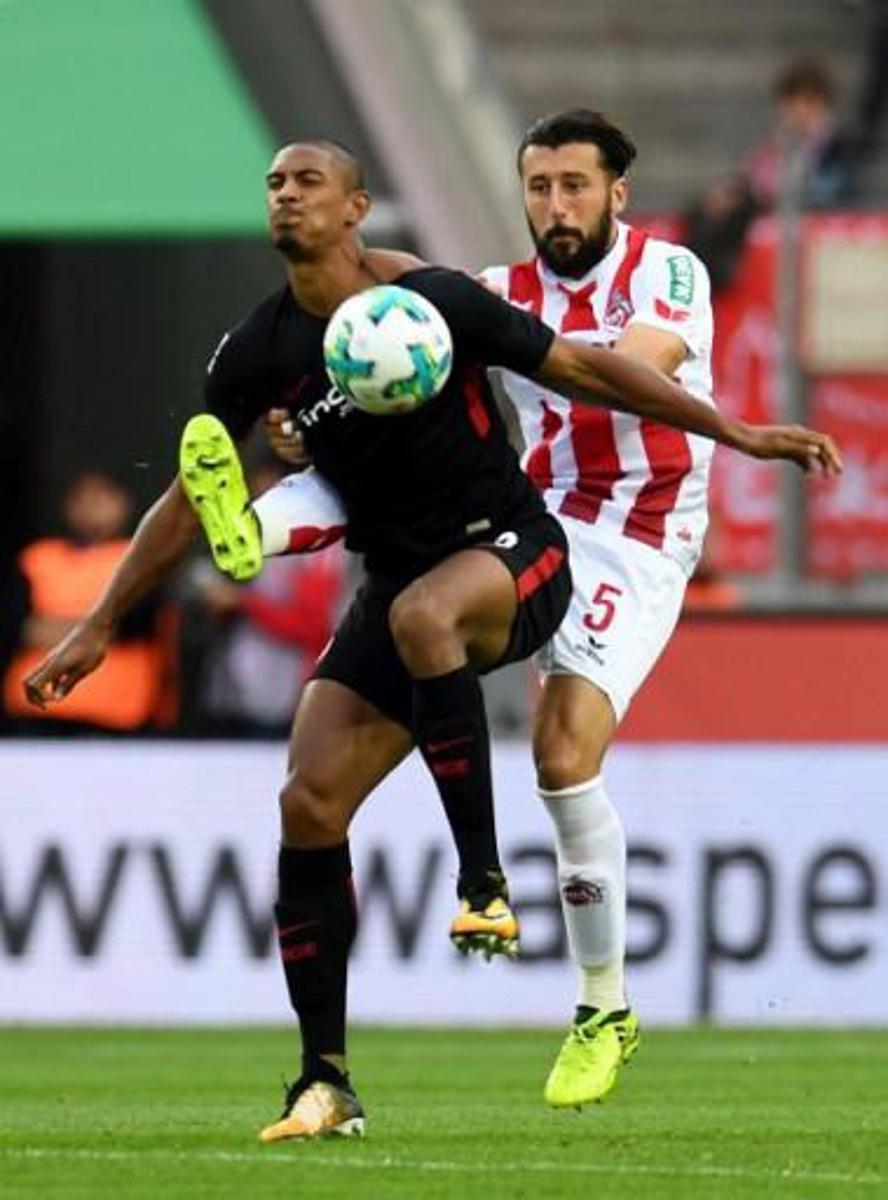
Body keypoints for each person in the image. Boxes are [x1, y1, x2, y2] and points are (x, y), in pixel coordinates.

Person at [23, 139, 840, 1143]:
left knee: (431, 624)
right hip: (401, 572)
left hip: (516, 551)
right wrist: (101, 623)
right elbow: (185, 497)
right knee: (309, 800)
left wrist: (740, 432)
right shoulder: (256, 354)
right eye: (273, 183)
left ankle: (483, 884)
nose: (286, 195)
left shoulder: (434, 302)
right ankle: (325, 1085)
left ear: (359, 204)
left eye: (307, 180)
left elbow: (584, 365)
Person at [4, 469, 168, 734]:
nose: (91, 506)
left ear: (122, 503)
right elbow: (15, 625)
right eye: (82, 498)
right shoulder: (38, 558)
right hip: (36, 713)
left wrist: (52, 629)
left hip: (116, 716)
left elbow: (137, 623)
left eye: (101, 497)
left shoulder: (142, 558)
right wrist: (95, 630)